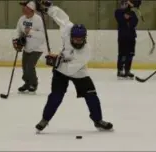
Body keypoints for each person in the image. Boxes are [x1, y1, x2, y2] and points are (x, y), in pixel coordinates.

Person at [35, 1, 113, 132]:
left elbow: (71, 69)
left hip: (79, 73)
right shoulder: (67, 30)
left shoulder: (86, 51)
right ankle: (45, 119)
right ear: (71, 36)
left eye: (80, 39)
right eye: (75, 39)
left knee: (92, 96)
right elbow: (61, 17)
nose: (78, 41)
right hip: (60, 72)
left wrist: (57, 62)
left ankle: (98, 120)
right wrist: (48, 8)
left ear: (84, 38)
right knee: (55, 96)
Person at [13, 1, 46, 92]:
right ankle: (27, 83)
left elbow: (43, 35)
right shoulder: (22, 19)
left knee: (29, 66)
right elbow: (18, 30)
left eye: (26, 8)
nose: (24, 9)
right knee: (24, 66)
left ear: (32, 10)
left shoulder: (38, 19)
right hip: (26, 47)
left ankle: (33, 84)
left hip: (37, 48)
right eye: (24, 8)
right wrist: (16, 40)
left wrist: (31, 32)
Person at [115, 0, 138, 79]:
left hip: (131, 37)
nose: (124, 5)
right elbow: (121, 20)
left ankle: (127, 70)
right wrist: (127, 17)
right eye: (123, 4)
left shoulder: (132, 13)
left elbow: (135, 22)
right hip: (122, 37)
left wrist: (129, 16)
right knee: (122, 54)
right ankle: (120, 70)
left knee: (130, 54)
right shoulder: (118, 12)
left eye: (125, 4)